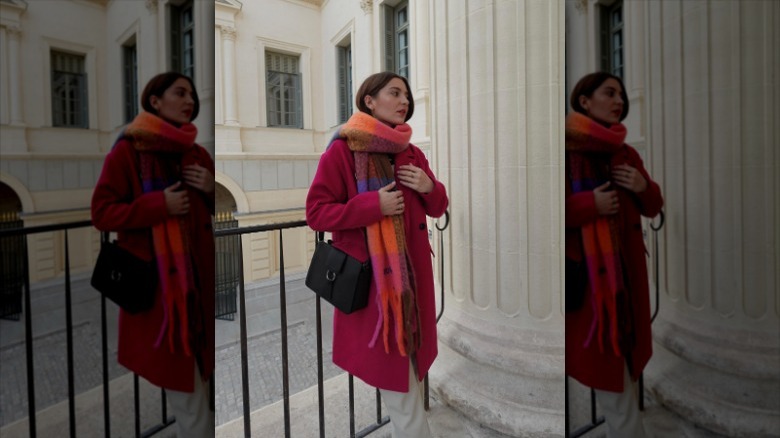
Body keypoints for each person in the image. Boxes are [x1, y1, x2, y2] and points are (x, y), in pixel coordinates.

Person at [306, 72, 448, 437]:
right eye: (394, 93)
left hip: (413, 287)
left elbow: (438, 207)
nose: (405, 101)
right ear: (369, 100)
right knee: (402, 392)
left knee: (410, 381)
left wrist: (430, 186)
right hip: (378, 294)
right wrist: (373, 206)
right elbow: (316, 213)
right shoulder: (343, 150)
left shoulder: (411, 152)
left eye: (407, 95)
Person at [91, 72, 215, 437]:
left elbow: (206, 214)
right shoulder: (129, 150)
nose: (189, 100)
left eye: (192, 95)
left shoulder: (197, 153)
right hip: (164, 300)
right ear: (155, 101)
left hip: (201, 293)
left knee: (202, 392)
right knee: (191, 401)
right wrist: (158, 205)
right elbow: (101, 213)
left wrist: (209, 188)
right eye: (180, 93)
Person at [565, 72, 664, 437]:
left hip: (627, 283)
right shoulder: (567, 151)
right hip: (593, 289)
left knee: (625, 375)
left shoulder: (626, 153)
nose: (619, 100)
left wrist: (642, 185)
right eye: (609, 93)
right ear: (585, 101)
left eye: (621, 94)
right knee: (615, 385)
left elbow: (653, 207)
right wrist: (589, 204)